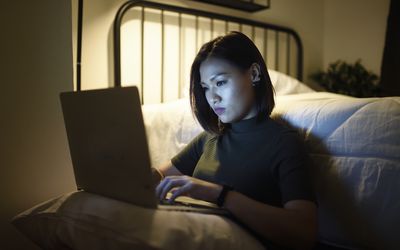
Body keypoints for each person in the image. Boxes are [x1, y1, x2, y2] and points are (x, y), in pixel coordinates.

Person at [153, 31, 317, 249]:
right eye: (205, 88)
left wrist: (221, 195)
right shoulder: (210, 138)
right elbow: (159, 176)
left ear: (254, 74)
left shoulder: (283, 143)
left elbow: (304, 232)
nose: (212, 98)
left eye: (220, 83)